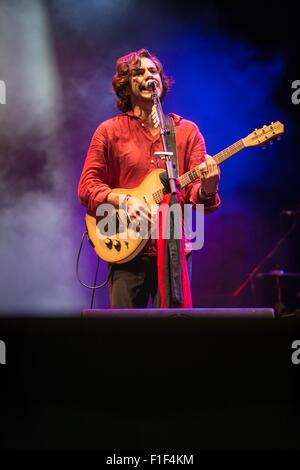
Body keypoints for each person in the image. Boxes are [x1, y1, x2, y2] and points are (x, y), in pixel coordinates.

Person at [78, 48, 220, 308]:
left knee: (172, 337)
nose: (148, 76)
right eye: (138, 72)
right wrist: (124, 201)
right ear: (126, 85)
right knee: (126, 339)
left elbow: (197, 197)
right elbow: (87, 187)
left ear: (161, 82)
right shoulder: (110, 131)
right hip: (126, 250)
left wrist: (209, 187)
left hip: (174, 250)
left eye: (153, 71)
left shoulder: (186, 132)